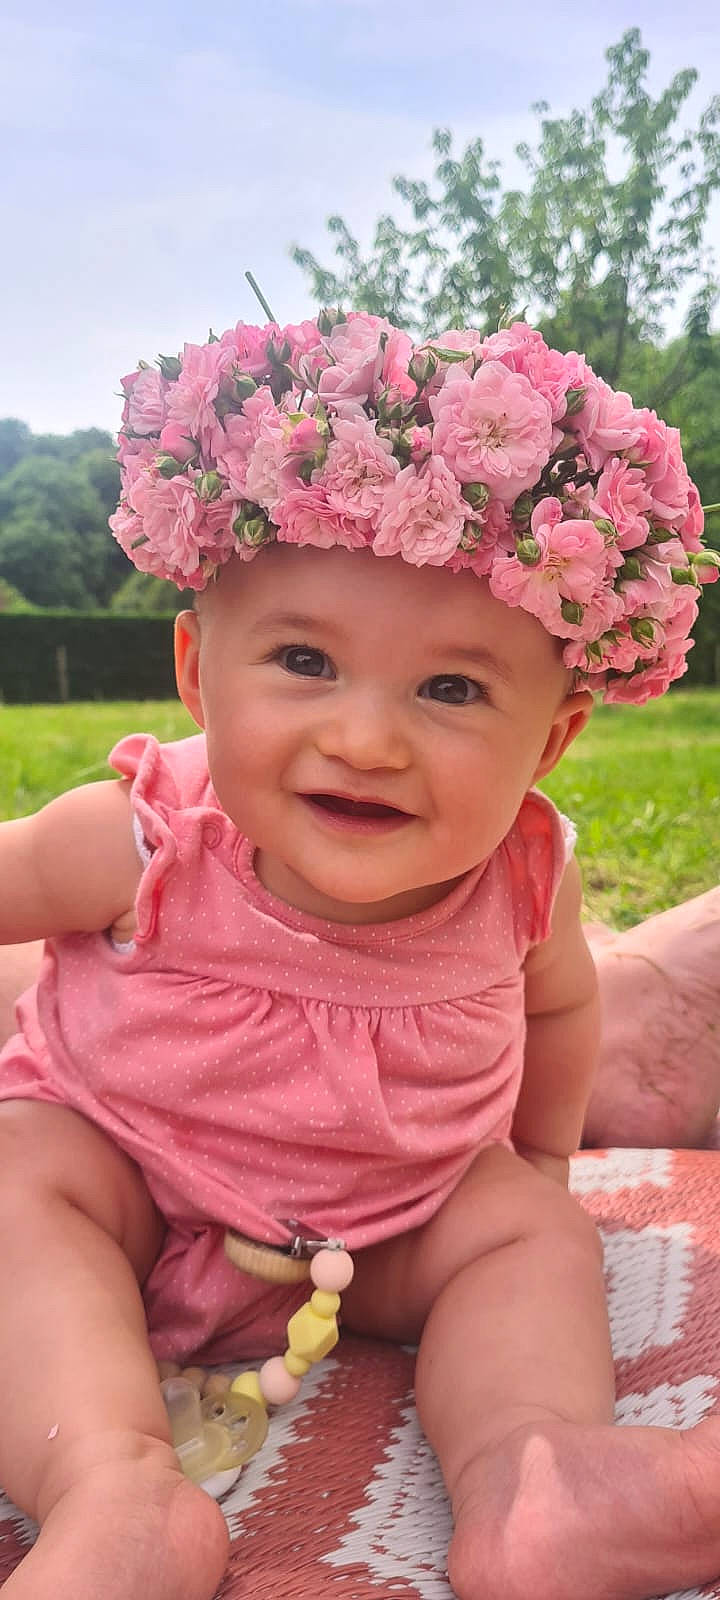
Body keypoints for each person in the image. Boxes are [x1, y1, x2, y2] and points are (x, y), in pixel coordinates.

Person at [0, 311, 719, 1600]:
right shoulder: (145, 838)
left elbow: (559, 1016)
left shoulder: (523, 879)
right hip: (126, 1190)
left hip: (384, 1227)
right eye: (303, 661)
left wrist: (539, 1164)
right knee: (18, 1173)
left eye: (451, 690)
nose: (369, 739)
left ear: (548, 744)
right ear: (197, 672)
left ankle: (537, 1480)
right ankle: (108, 1483)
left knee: (521, 1238)